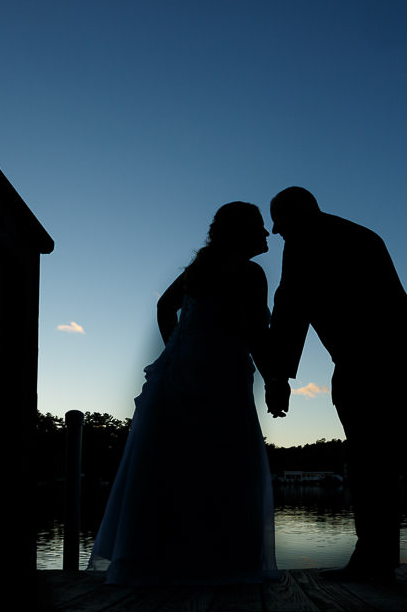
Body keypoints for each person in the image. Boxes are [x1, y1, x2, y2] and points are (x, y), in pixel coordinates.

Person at [89, 202, 279, 586]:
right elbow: (258, 333)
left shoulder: (199, 271)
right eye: (259, 227)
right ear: (241, 232)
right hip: (222, 371)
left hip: (181, 369)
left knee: (172, 464)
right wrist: (277, 380)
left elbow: (164, 308)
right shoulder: (249, 272)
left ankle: (160, 561)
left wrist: (177, 348)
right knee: (225, 465)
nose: (267, 233)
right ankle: (225, 562)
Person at [265, 187, 407, 582]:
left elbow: (289, 308)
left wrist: (278, 377)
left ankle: (376, 558)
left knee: (369, 457)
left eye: (278, 220)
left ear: (297, 214)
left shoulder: (304, 244)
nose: (275, 231)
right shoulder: (361, 234)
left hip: (367, 358)